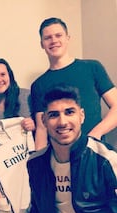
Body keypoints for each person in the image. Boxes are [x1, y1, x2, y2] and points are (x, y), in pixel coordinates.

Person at [0, 84, 117, 213]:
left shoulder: (105, 159)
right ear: (43, 120)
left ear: (81, 116)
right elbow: (38, 206)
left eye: (69, 112)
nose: (62, 122)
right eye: (53, 115)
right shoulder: (36, 164)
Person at [30, 17, 117, 150]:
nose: (54, 40)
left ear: (67, 38)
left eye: (58, 35)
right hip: (60, 161)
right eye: (48, 38)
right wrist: (37, 163)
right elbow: (42, 130)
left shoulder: (92, 67)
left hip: (95, 153)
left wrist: (95, 134)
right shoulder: (38, 85)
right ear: (42, 43)